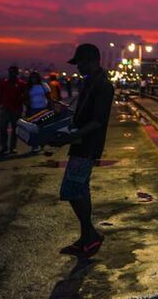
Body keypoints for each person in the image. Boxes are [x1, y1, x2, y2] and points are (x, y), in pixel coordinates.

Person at [53, 43, 114, 258]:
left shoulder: (103, 86)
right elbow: (84, 114)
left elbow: (98, 121)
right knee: (79, 190)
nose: (78, 66)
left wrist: (71, 136)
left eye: (80, 62)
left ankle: (90, 235)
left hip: (88, 145)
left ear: (93, 61)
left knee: (72, 190)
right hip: (81, 144)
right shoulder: (90, 83)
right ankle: (86, 237)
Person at [0, 66, 27, 155]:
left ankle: (13, 148)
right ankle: (4, 147)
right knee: (3, 129)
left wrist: (27, 108)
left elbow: (26, 97)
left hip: (16, 110)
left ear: (17, 73)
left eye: (13, 72)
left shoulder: (22, 84)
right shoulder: (4, 83)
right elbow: (0, 97)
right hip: (5, 110)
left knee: (15, 130)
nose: (12, 74)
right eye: (10, 72)